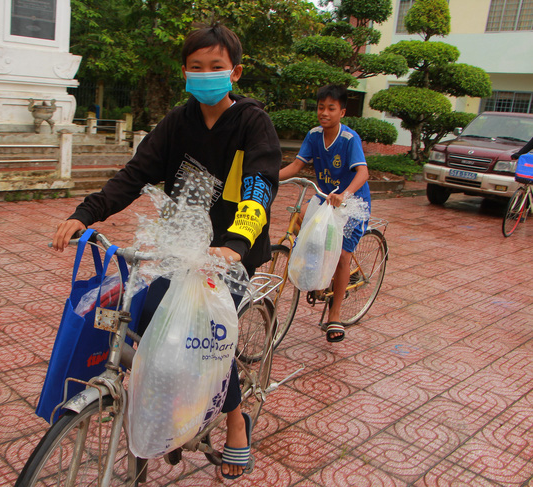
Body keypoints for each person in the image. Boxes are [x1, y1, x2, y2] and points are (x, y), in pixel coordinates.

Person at [52, 24, 281, 479]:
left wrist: (236, 244)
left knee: (204, 336)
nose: (205, 75)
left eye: (215, 67)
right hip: (179, 250)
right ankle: (173, 403)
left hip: (228, 257)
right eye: (196, 68)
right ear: (184, 73)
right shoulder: (177, 122)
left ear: (234, 72)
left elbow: (259, 185)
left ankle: (236, 422)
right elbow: (137, 172)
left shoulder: (252, 122)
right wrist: (87, 213)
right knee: (145, 321)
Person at [278, 84, 370, 343]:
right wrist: (267, 178)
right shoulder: (314, 135)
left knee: (342, 254)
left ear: (342, 111)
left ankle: (335, 316)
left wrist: (344, 195)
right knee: (298, 218)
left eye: (331, 108)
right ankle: (320, 268)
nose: (324, 113)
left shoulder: (349, 139)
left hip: (351, 201)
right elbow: (297, 165)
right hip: (324, 197)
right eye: (320, 107)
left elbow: (363, 173)